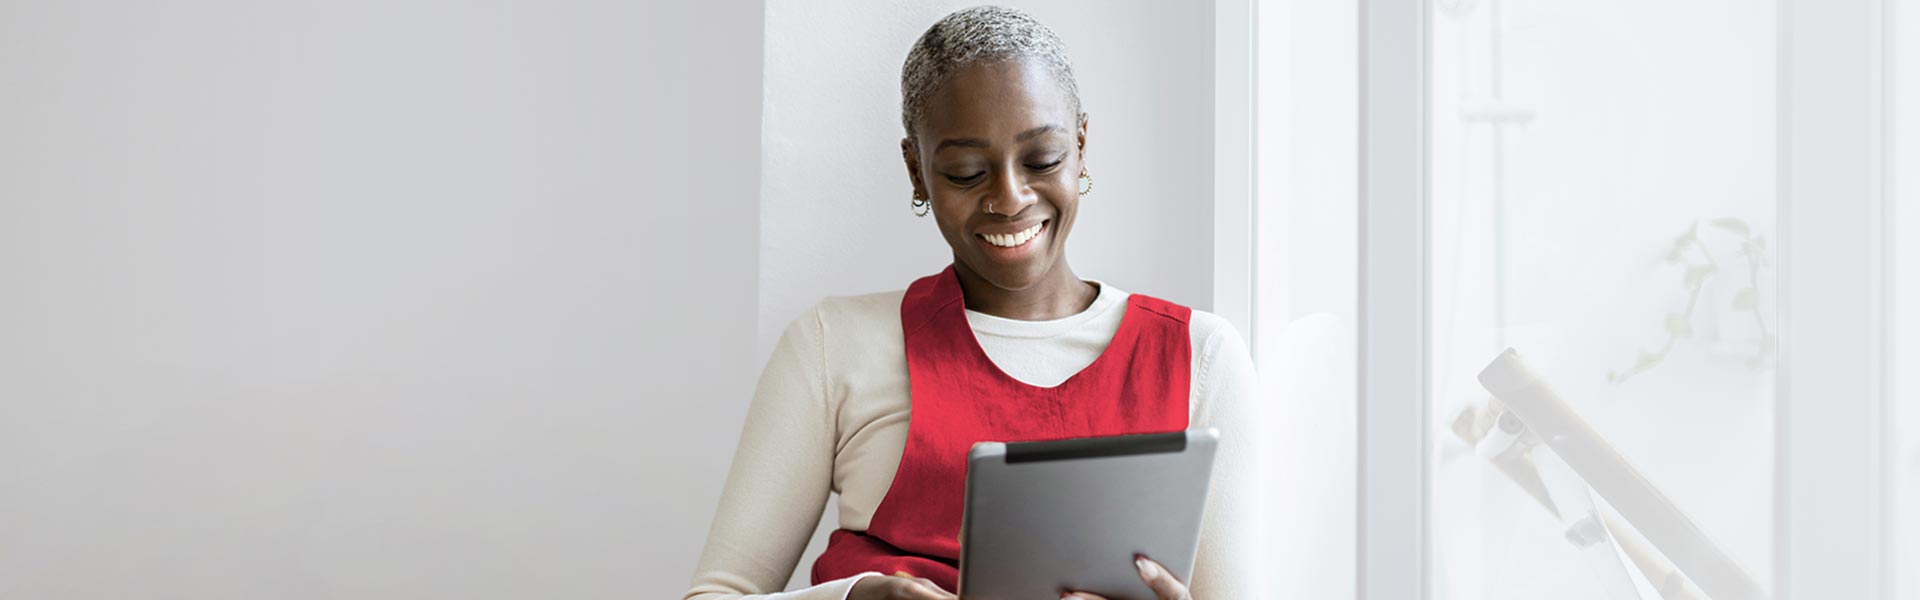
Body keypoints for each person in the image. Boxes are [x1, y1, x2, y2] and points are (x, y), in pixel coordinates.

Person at [683, 6, 1258, 599]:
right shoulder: (834, 345)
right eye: (964, 172)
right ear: (916, 170)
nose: (1009, 198)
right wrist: (850, 598)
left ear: (1081, 145)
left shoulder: (1200, 356)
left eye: (1042, 160)